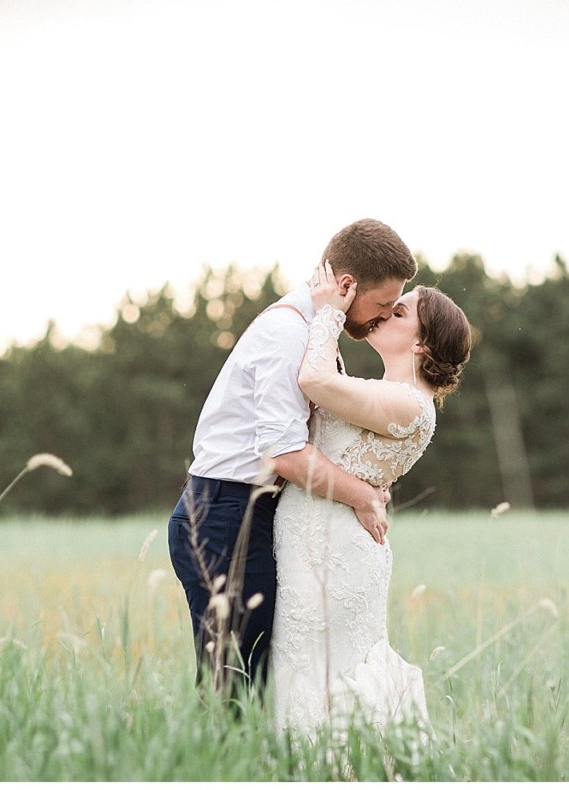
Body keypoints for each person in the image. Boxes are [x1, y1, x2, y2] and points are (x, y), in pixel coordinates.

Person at [167, 219, 418, 697]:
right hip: (224, 517)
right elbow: (283, 454)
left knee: (253, 679)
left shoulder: (310, 330)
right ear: (347, 286)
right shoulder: (289, 333)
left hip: (244, 513)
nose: (384, 316)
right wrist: (362, 496)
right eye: (383, 304)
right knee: (234, 688)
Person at [270, 260, 472, 735]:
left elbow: (313, 381)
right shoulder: (386, 391)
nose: (384, 314)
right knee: (302, 670)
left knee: (323, 675)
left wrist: (328, 314)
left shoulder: (409, 403)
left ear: (421, 343)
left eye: (399, 313)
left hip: (334, 555)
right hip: (311, 542)